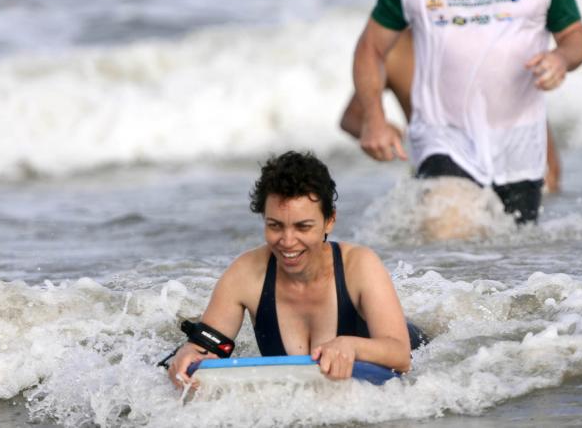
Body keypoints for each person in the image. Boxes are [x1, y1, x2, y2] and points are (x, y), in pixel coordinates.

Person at [351, 0, 582, 223]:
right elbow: (370, 48)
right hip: (443, 137)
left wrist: (561, 58)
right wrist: (374, 119)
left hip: (519, 144)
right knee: (449, 233)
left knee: (515, 257)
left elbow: (577, 37)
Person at [165, 151, 419, 388]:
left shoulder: (360, 266)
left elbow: (401, 356)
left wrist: (351, 346)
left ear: (329, 220)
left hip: (418, 348)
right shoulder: (245, 273)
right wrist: (188, 353)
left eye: (303, 227)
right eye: (275, 226)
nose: (287, 241)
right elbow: (209, 345)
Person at [339, 29, 564, 193]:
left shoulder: (491, 38)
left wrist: (550, 177)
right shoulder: (395, 52)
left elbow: (526, 107)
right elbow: (351, 117)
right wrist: (379, 127)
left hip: (510, 163)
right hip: (441, 171)